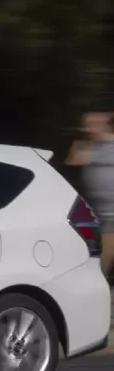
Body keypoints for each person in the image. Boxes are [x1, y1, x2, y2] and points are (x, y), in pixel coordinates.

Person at [66, 111, 114, 274]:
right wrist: (90, 138)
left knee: (103, 257)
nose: (87, 128)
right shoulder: (88, 146)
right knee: (95, 256)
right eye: (86, 125)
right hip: (95, 211)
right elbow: (74, 160)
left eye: (93, 124)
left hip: (111, 213)